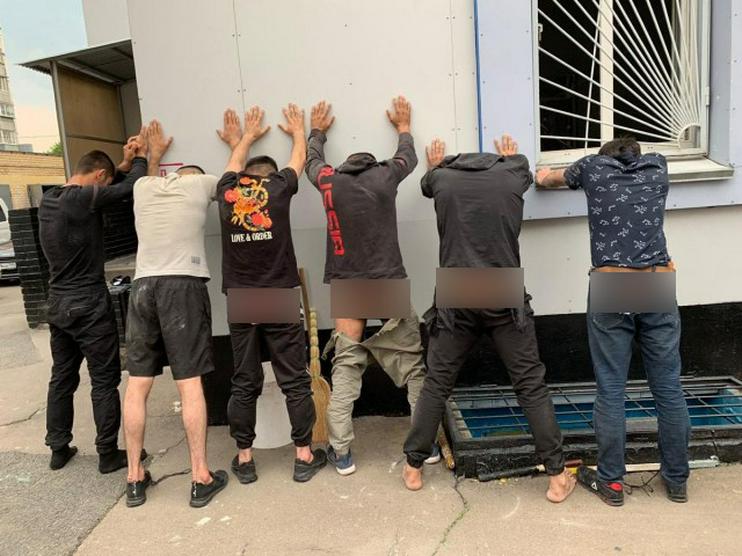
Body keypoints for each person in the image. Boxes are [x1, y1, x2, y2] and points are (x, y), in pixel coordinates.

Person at [401, 135, 576, 502]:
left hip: (457, 290)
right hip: (502, 289)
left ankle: (413, 467)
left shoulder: (442, 178)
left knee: (437, 383)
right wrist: (510, 158)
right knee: (530, 384)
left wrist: (435, 165)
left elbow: (426, 185)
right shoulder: (512, 173)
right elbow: (525, 172)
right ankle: (557, 476)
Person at [537, 137, 690, 506]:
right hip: (655, 280)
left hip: (613, 283)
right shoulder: (658, 166)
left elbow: (552, 178)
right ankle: (677, 481)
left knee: (611, 388)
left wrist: (540, 176)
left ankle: (612, 482)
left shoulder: (592, 167)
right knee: (668, 387)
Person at [305, 98, 430, 476]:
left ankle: (341, 452)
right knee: (413, 367)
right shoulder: (385, 175)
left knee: (346, 365)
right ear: (373, 164)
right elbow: (408, 157)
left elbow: (311, 162)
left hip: (348, 284)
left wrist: (317, 131)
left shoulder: (329, 180)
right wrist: (403, 126)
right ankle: (423, 445)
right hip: (386, 280)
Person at [216, 104, 327, 483]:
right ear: (270, 176)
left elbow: (233, 164)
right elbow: (298, 160)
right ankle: (303, 456)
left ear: (244, 177)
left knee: (244, 380)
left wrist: (244, 137)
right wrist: (298, 131)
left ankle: (245, 459)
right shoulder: (279, 188)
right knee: (293, 379)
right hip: (278, 294)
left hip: (242, 297)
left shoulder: (227, 191)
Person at [122, 120, 228, 508]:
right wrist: (241, 141)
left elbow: (151, 175)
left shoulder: (143, 188)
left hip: (142, 287)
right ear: (195, 177)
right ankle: (200, 476)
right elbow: (233, 176)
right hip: (181, 287)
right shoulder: (201, 184)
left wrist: (153, 155)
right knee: (189, 383)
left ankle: (135, 477)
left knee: (137, 384)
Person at [38, 132, 148, 473]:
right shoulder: (83, 198)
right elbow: (131, 186)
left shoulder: (51, 199)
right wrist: (141, 158)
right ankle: (107, 453)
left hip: (58, 303)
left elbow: (110, 182)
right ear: (99, 177)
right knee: (103, 379)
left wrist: (123, 163)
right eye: (106, 180)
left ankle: (58, 447)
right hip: (88, 303)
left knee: (62, 376)